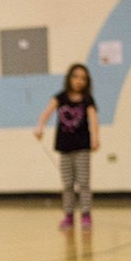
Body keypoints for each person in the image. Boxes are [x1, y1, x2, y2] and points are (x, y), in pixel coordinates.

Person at [33, 63, 100, 230]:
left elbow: (93, 119)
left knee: (83, 183)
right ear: (69, 78)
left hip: (82, 147)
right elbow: (47, 112)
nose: (79, 81)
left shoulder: (87, 100)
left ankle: (86, 215)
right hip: (64, 147)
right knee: (67, 184)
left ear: (87, 82)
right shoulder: (60, 97)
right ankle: (68, 215)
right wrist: (40, 126)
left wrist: (95, 137)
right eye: (75, 77)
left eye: (83, 78)